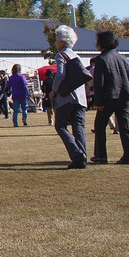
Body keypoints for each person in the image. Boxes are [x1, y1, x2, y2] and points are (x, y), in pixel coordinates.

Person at [91, 31, 129, 165]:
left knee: (99, 125)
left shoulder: (101, 58)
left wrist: (97, 102)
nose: (95, 43)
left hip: (110, 96)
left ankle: (101, 156)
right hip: (125, 95)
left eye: (97, 40)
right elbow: (127, 77)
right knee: (124, 126)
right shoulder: (121, 57)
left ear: (103, 42)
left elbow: (99, 83)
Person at [50, 25, 88, 169]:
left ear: (62, 42)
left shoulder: (61, 55)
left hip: (67, 97)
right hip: (80, 96)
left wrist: (54, 91)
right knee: (79, 126)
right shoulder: (76, 56)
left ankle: (76, 154)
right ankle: (82, 155)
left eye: (57, 40)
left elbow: (60, 75)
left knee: (60, 125)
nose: (55, 43)